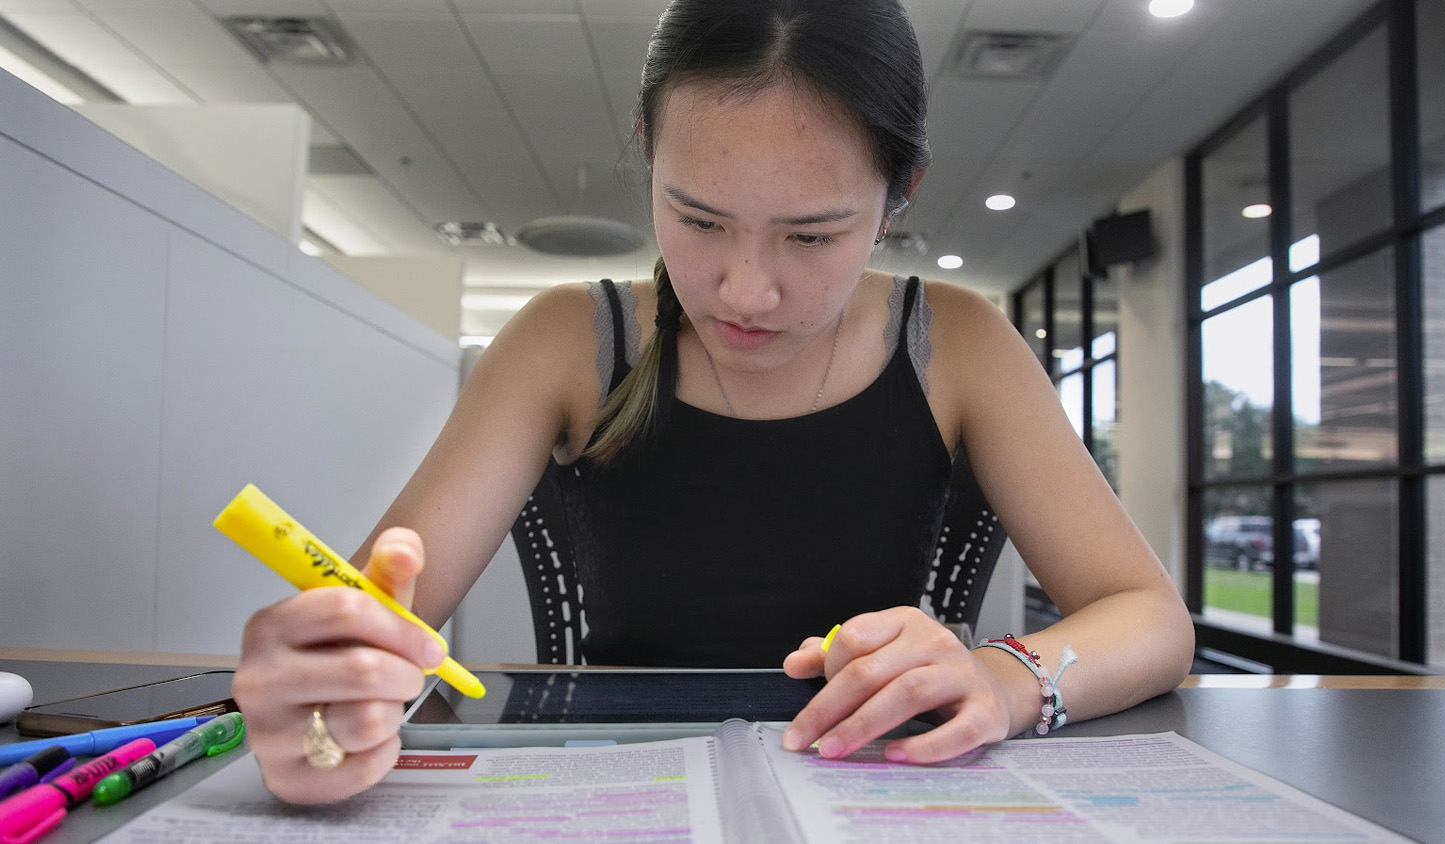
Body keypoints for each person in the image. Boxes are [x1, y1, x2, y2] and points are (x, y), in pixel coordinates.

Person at [234, 0, 1195, 805]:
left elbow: (1150, 617)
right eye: (698, 219)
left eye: (812, 238)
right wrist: (323, 706)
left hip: (886, 790)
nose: (744, 291)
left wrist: (1003, 677)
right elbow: (360, 628)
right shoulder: (569, 341)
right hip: (611, 796)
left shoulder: (959, 345)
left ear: (900, 194)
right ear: (648, 151)